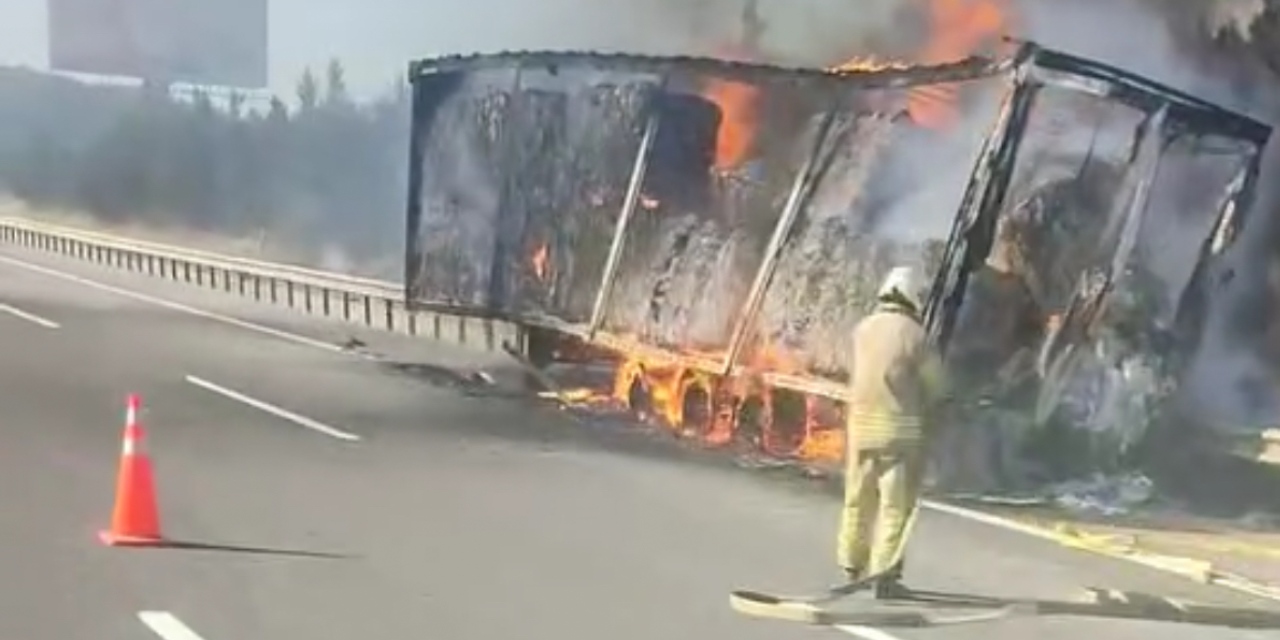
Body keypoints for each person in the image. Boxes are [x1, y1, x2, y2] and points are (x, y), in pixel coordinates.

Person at [837, 265, 947, 600]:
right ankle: (883, 577)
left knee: (857, 499)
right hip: (899, 434)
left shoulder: (863, 328)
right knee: (894, 507)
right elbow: (937, 386)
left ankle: (851, 565)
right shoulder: (915, 336)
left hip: (860, 427)